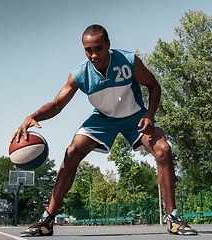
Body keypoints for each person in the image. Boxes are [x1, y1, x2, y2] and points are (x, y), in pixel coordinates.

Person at [11, 24, 198, 236]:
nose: (93, 55)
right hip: (103, 119)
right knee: (72, 153)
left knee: (163, 149)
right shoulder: (80, 74)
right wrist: (33, 116)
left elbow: (154, 86)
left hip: (135, 116)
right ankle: (46, 221)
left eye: (98, 48)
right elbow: (56, 105)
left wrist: (149, 115)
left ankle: (173, 217)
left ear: (108, 45)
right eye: (88, 50)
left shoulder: (129, 61)